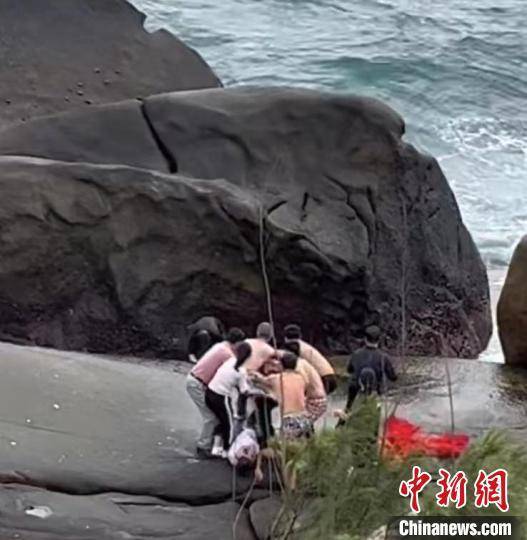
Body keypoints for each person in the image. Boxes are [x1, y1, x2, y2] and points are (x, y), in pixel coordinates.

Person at [185, 327, 245, 457]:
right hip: (198, 383)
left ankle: (211, 444)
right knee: (211, 417)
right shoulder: (228, 354)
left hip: (197, 379)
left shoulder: (221, 346)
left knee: (215, 415)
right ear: (237, 342)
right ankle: (203, 446)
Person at [206, 342, 253, 456]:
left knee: (220, 420)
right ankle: (227, 449)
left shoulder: (229, 361)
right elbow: (244, 390)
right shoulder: (241, 371)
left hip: (210, 391)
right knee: (229, 424)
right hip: (221, 397)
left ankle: (216, 447)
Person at [344, 325, 397, 412]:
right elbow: (393, 377)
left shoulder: (356, 354)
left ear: (365, 339)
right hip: (374, 394)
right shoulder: (383, 357)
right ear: (379, 340)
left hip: (355, 394)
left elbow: (349, 370)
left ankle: (347, 410)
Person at [267, 352, 313, 439]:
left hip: (289, 419)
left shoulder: (276, 379)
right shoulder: (302, 378)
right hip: (304, 418)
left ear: (281, 365)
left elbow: (260, 380)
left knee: (288, 445)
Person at [283, 324, 337, 394]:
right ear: (300, 336)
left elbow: (291, 363)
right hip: (330, 376)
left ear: (285, 337)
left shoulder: (293, 346)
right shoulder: (304, 345)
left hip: (322, 378)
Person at [282, 341, 327, 423]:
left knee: (295, 422)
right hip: (316, 399)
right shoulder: (302, 362)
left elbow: (304, 381)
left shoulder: (298, 366)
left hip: (315, 401)